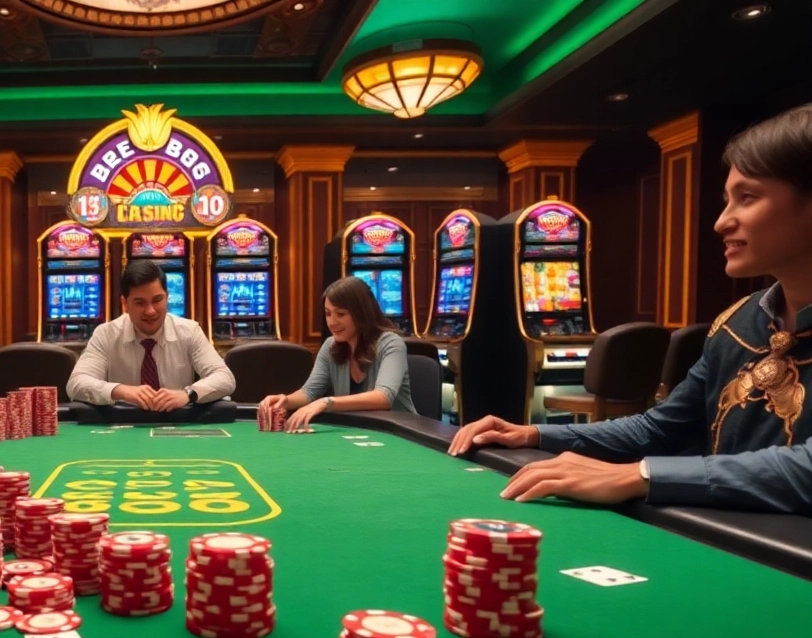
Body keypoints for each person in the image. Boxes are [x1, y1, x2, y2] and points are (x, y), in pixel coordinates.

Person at [448, 103, 812, 515]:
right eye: (726, 200)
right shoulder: (737, 322)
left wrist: (640, 475)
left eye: (748, 198)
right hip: (741, 548)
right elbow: (660, 429)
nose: (722, 222)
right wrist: (533, 434)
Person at [67, 259, 235, 410]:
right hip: (123, 426)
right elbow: (76, 383)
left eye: (157, 300)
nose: (150, 311)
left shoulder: (189, 331)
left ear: (167, 297)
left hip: (174, 424)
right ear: (125, 303)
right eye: (140, 303)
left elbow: (225, 378)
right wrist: (121, 391)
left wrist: (187, 394)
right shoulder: (106, 334)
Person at [259, 276, 416, 431]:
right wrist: (285, 401)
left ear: (362, 314)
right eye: (328, 313)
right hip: (359, 431)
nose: (332, 322)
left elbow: (383, 397)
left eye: (341, 314)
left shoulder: (391, 343)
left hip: (401, 433)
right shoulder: (330, 346)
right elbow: (310, 392)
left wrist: (326, 403)